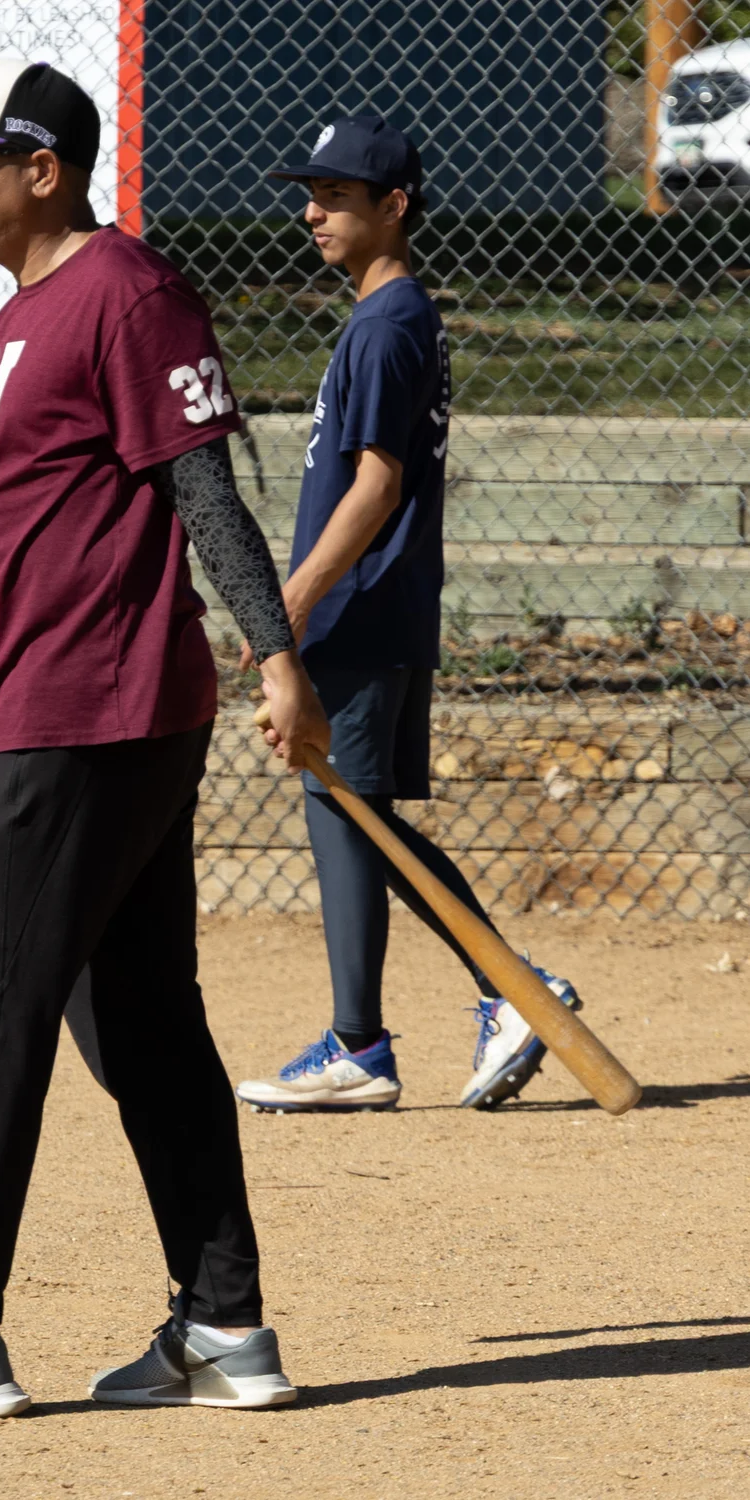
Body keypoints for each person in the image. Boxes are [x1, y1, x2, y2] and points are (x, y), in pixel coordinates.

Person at [0, 59, 331, 1420]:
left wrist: (275, 654)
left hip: (91, 713)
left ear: (42, 169)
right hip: (45, 701)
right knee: (139, 1022)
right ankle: (221, 1327)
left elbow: (200, 488)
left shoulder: (127, 294)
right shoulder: (19, 318)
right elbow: (0, 531)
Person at [234, 118, 581, 1114]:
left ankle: (496, 992)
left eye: (336, 197)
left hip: (357, 607)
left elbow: (376, 486)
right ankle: (370, 1041)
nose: (311, 213)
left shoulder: (387, 324)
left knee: (352, 811)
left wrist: (288, 606)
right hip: (370, 609)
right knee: (353, 811)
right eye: (310, 194)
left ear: (395, 206)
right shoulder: (390, 319)